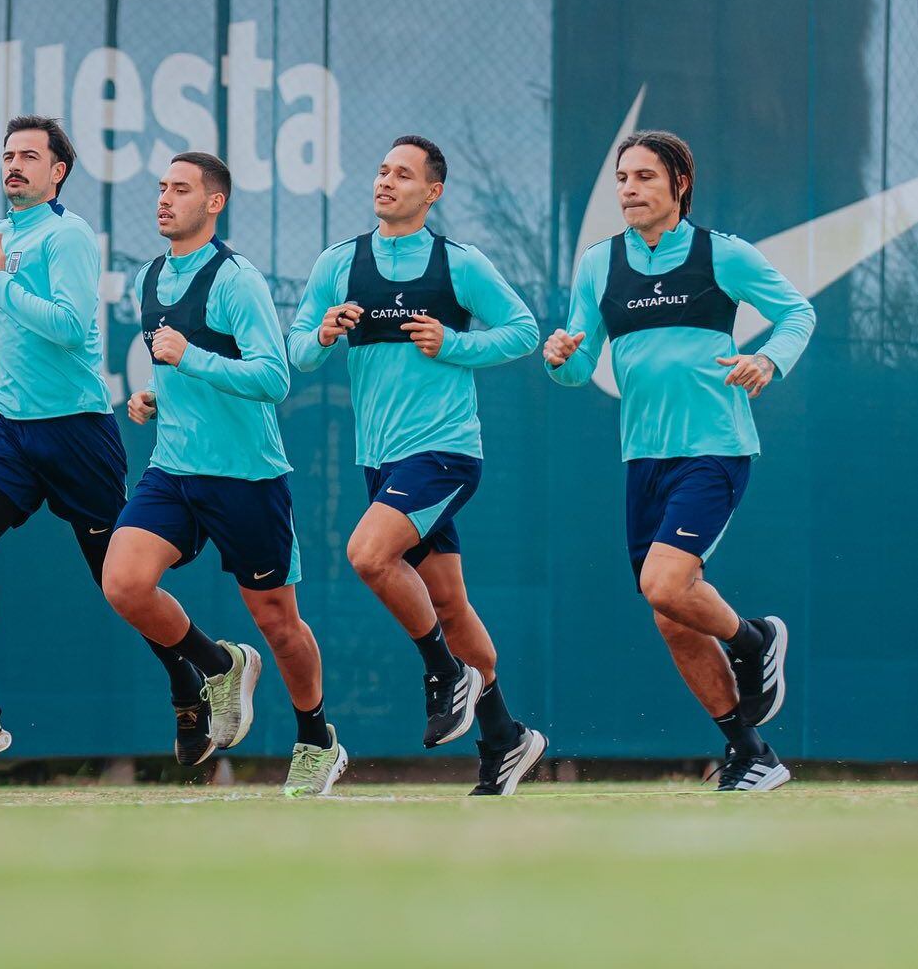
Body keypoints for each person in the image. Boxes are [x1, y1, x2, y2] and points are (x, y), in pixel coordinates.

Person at [0, 116, 206, 765]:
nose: (14, 165)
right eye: (7, 155)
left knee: (118, 583)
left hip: (76, 433)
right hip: (12, 429)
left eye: (29, 156)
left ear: (57, 172)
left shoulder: (67, 234)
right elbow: (26, 324)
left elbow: (73, 328)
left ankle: (191, 679)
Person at [545, 130, 814, 792]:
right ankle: (752, 754)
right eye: (622, 178)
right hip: (643, 460)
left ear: (678, 185)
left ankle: (752, 642)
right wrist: (559, 359)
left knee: (664, 586)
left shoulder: (722, 255)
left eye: (643, 178)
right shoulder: (596, 265)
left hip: (714, 449)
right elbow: (579, 367)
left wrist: (766, 359)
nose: (629, 190)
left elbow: (796, 313)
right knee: (670, 615)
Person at [289, 136, 547, 796]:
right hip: (379, 461)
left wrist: (453, 343)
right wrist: (321, 334)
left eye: (402, 175)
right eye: (380, 171)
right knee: (450, 605)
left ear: (432, 192)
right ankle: (505, 738)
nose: (385, 182)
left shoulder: (458, 265)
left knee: (368, 554)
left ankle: (444, 673)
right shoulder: (339, 263)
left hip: (444, 452)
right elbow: (296, 352)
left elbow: (521, 330)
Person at [103, 152, 346, 796]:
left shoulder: (238, 281)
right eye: (161, 188)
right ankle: (219, 664)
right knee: (124, 584)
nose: (164, 199)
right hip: (173, 471)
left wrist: (192, 359)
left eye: (180, 190)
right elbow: (173, 366)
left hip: (246, 478)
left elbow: (273, 377)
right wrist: (157, 393)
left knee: (278, 622)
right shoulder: (149, 278)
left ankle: (318, 738)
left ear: (214, 203)